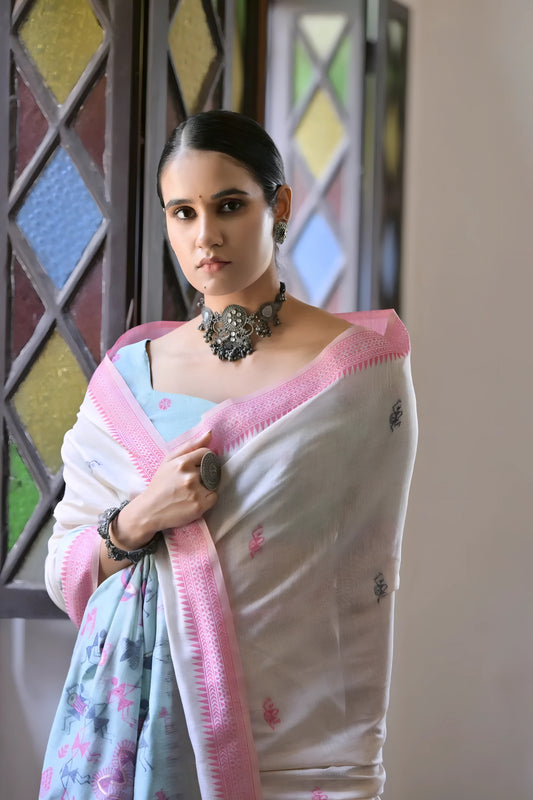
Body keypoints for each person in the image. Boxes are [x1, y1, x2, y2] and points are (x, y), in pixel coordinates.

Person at [40, 110, 417, 800]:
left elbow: (359, 578)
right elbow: (64, 557)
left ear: (278, 206)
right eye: (181, 213)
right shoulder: (130, 379)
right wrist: (139, 518)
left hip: (288, 738)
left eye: (228, 206)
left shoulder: (357, 373)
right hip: (127, 735)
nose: (204, 236)